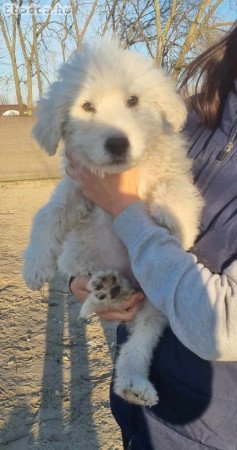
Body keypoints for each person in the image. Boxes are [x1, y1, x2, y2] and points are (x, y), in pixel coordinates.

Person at [66, 24, 237, 450]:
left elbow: (224, 327)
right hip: (141, 416)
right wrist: (83, 279)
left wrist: (127, 213)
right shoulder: (192, 117)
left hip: (212, 430)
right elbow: (94, 199)